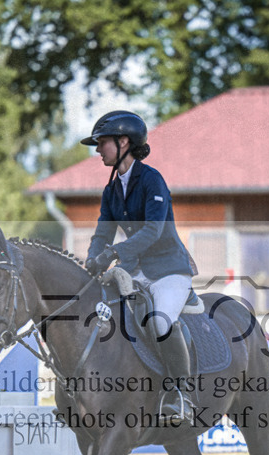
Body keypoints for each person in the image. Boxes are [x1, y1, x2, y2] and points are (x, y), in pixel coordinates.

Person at [82, 110, 197, 427]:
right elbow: (102, 233)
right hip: (134, 270)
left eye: (102, 143)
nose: (97, 149)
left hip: (168, 269)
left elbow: (152, 231)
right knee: (104, 317)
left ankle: (180, 394)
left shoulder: (151, 180)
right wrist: (92, 260)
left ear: (123, 142)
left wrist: (111, 254)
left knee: (159, 322)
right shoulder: (111, 190)